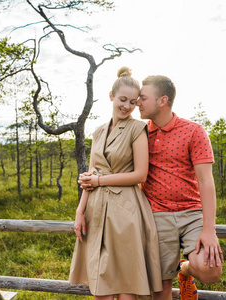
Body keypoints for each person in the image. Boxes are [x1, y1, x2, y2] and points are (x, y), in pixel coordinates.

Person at [69, 67, 163, 299]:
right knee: (100, 286)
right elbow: (90, 176)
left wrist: (100, 180)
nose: (127, 106)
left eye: (133, 102)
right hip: (96, 210)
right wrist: (80, 212)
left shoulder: (137, 128)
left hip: (125, 211)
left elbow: (140, 175)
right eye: (122, 100)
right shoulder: (98, 132)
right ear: (111, 95)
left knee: (124, 284)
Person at [136, 75, 224, 300]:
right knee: (160, 286)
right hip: (156, 214)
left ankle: (184, 271)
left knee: (211, 270)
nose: (138, 102)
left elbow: (206, 181)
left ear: (162, 100)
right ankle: (174, 274)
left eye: (143, 98)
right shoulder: (140, 133)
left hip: (192, 213)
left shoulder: (193, 131)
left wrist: (209, 229)